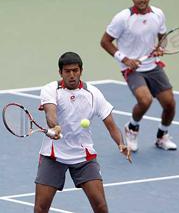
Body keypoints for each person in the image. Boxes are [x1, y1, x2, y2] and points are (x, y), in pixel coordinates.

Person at [34, 51, 131, 213]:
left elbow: (111, 125)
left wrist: (121, 143)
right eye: (67, 71)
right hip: (54, 155)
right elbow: (50, 113)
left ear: (81, 71)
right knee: (40, 208)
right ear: (60, 72)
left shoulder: (94, 94)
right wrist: (55, 126)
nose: (72, 75)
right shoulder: (50, 89)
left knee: (101, 206)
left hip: (83, 155)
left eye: (75, 70)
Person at [100, 0, 177, 152]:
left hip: (153, 65)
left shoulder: (158, 14)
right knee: (145, 100)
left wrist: (161, 47)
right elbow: (105, 41)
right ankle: (132, 128)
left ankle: (162, 136)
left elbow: (162, 35)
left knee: (170, 104)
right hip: (132, 68)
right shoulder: (122, 18)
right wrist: (125, 59)